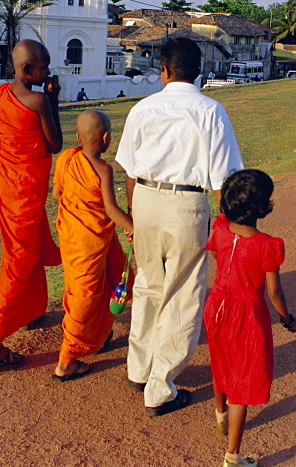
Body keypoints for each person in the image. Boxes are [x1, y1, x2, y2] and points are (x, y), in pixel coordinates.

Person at [115, 37, 244, 417]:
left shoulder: (142, 108)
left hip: (146, 200)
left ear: (164, 72)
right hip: (187, 205)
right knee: (183, 294)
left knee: (149, 285)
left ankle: (139, 370)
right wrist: (232, 229)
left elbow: (130, 171)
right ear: (198, 73)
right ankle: (160, 388)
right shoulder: (211, 110)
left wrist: (134, 215)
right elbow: (222, 181)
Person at [0, 39, 64, 373]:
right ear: (29, 70)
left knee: (25, 250)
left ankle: (31, 312)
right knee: (18, 259)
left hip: (7, 183)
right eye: (43, 67)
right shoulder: (38, 99)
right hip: (25, 190)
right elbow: (54, 143)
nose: (47, 72)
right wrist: (54, 99)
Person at [204, 169, 296, 467]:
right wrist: (287, 318)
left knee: (220, 362)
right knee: (242, 382)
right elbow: (274, 292)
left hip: (216, 306)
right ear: (262, 207)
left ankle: (220, 416)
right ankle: (232, 457)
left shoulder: (220, 228)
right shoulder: (266, 245)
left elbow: (218, 254)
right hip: (246, 316)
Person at [51, 110, 134, 381]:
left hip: (73, 238)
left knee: (95, 285)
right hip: (90, 243)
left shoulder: (66, 158)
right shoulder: (103, 169)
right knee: (85, 297)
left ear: (77, 137)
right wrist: (133, 227)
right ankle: (66, 360)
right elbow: (111, 210)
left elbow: (56, 193)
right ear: (107, 138)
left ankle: (98, 335)